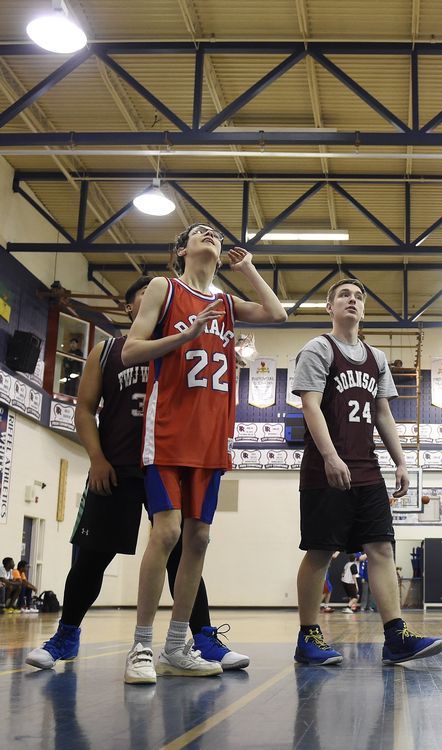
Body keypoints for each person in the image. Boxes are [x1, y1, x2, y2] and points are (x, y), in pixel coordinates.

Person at [25, 276, 249, 671]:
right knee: (92, 557)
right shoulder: (108, 350)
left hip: (169, 461)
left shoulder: (189, 342)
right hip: (119, 465)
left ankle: (201, 639)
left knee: (186, 551)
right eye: (146, 298)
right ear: (133, 309)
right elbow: (84, 409)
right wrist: (96, 457)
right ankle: (66, 635)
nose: (159, 302)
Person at [121, 225, 286, 684]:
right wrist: (184, 335)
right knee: (167, 532)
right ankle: (140, 646)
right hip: (170, 429)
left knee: (199, 539)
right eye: (199, 233)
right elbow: (131, 351)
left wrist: (248, 267)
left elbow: (276, 313)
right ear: (181, 251)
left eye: (213, 233)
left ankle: (178, 645)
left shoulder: (228, 303)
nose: (209, 234)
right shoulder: (164, 288)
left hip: (212, 435)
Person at [291, 278, 442, 667]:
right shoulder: (318, 349)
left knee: (381, 548)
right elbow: (310, 407)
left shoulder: (375, 357)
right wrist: (329, 455)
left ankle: (396, 636)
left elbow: (382, 414)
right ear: (329, 307)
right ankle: (308, 636)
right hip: (326, 469)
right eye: (344, 295)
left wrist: (402, 460)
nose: (352, 300)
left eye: (359, 296)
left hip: (368, 470)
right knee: (321, 551)